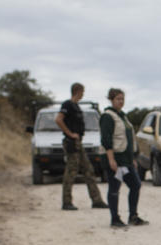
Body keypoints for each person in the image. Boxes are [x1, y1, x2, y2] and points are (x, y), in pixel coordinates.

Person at [55, 82, 108, 211]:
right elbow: (58, 119)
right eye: (82, 91)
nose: (83, 94)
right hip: (71, 143)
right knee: (71, 172)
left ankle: (97, 200)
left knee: (88, 170)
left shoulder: (76, 106)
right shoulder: (67, 105)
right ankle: (66, 202)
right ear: (77, 91)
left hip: (79, 142)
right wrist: (70, 134)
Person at [100, 88, 147, 228]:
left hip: (126, 159)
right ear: (111, 100)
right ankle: (114, 218)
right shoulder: (108, 116)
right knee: (114, 188)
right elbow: (106, 139)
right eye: (118, 99)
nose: (121, 101)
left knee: (135, 185)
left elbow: (128, 138)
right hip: (116, 159)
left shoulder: (123, 116)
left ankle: (133, 215)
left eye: (122, 99)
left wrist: (132, 158)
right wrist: (111, 159)